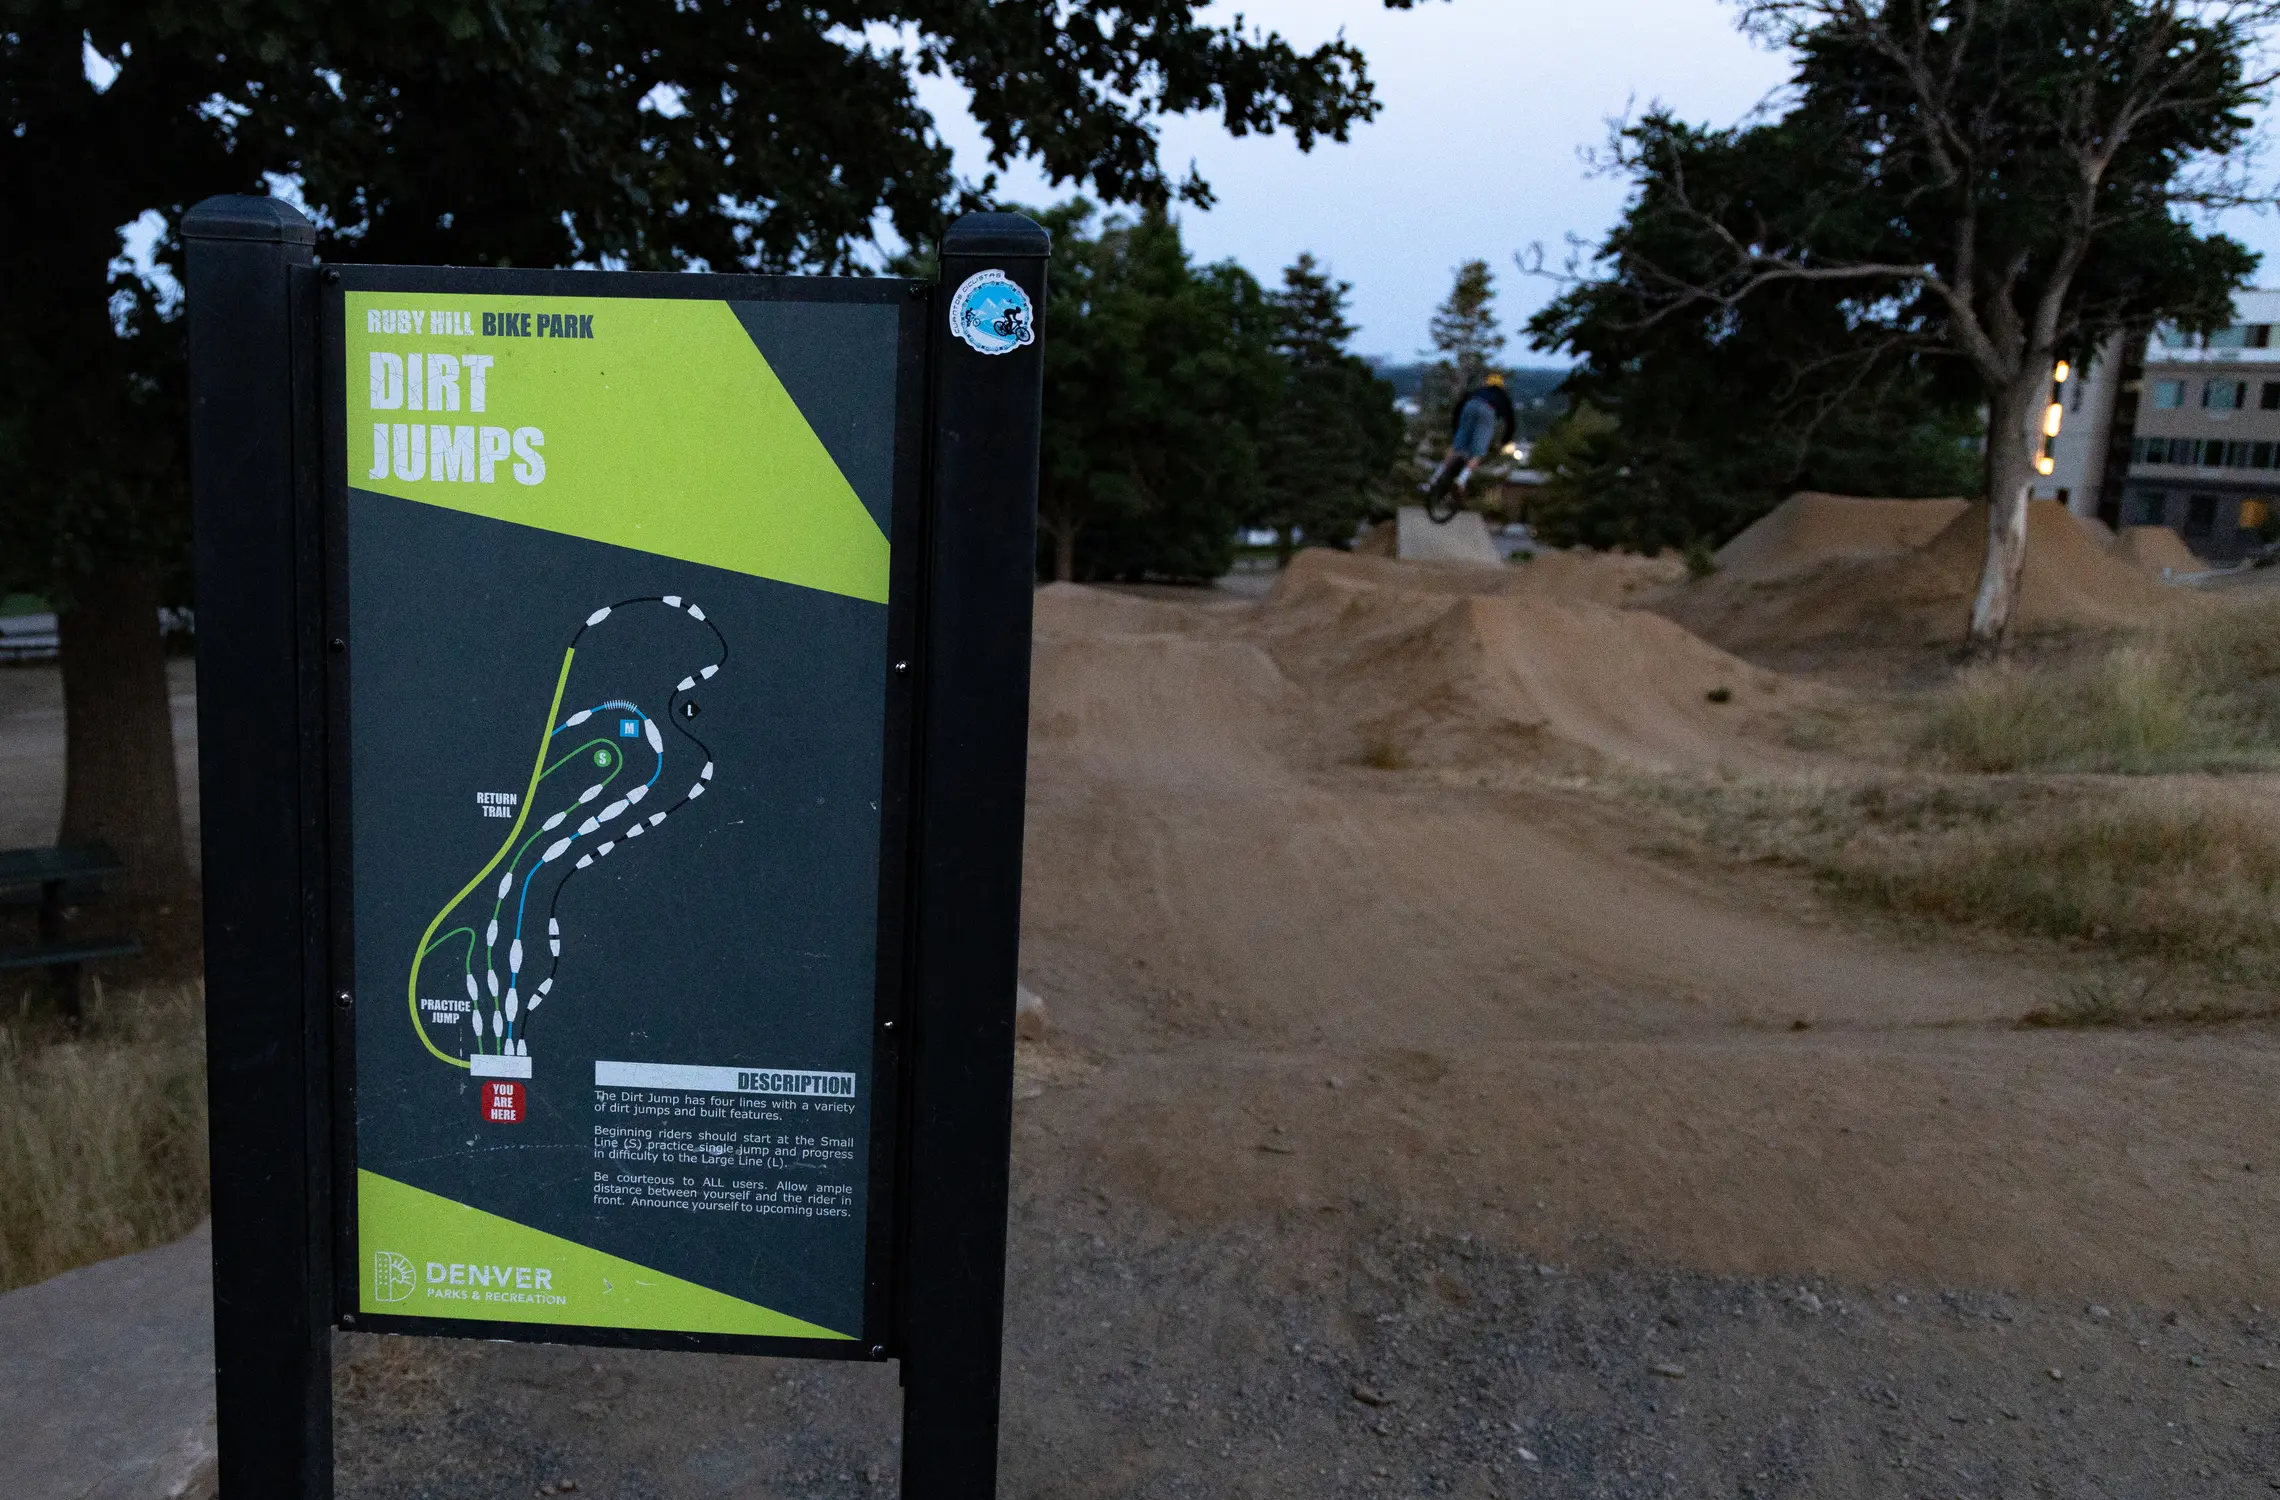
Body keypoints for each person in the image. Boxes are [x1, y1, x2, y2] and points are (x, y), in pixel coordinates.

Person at [1422, 372, 1517, 505]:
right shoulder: (1503, 397)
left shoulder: (1477, 391)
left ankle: (1433, 480)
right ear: (1502, 386)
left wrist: (1456, 430)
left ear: (1487, 383)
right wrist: (1505, 441)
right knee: (1478, 452)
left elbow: (1458, 408)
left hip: (1469, 407)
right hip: (1487, 411)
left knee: (1456, 448)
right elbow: (1511, 422)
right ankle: (1461, 479)